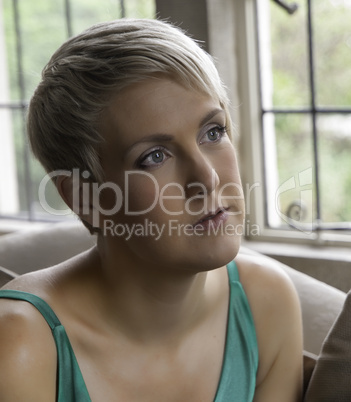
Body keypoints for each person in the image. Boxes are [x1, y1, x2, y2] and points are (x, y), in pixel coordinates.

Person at [0, 19, 302, 401]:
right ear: (86, 198)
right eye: (154, 156)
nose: (207, 179)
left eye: (213, 132)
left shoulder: (267, 303)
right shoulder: (20, 346)